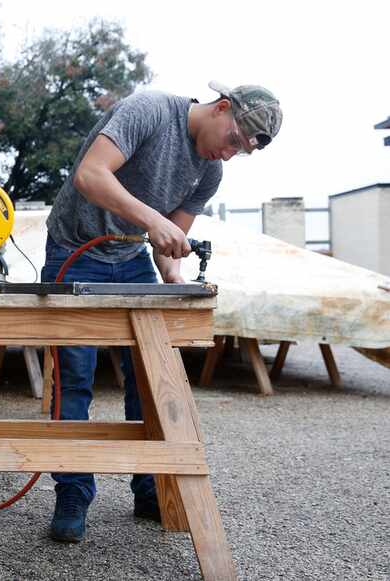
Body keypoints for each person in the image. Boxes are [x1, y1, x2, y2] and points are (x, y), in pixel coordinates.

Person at [43, 81, 282, 542]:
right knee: (73, 377)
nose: (229, 154)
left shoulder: (209, 171)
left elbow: (168, 242)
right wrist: (154, 220)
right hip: (76, 247)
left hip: (131, 258)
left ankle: (150, 487)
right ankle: (72, 491)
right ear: (221, 108)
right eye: (233, 140)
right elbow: (90, 175)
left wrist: (173, 274)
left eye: (241, 152)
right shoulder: (148, 111)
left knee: (150, 377)